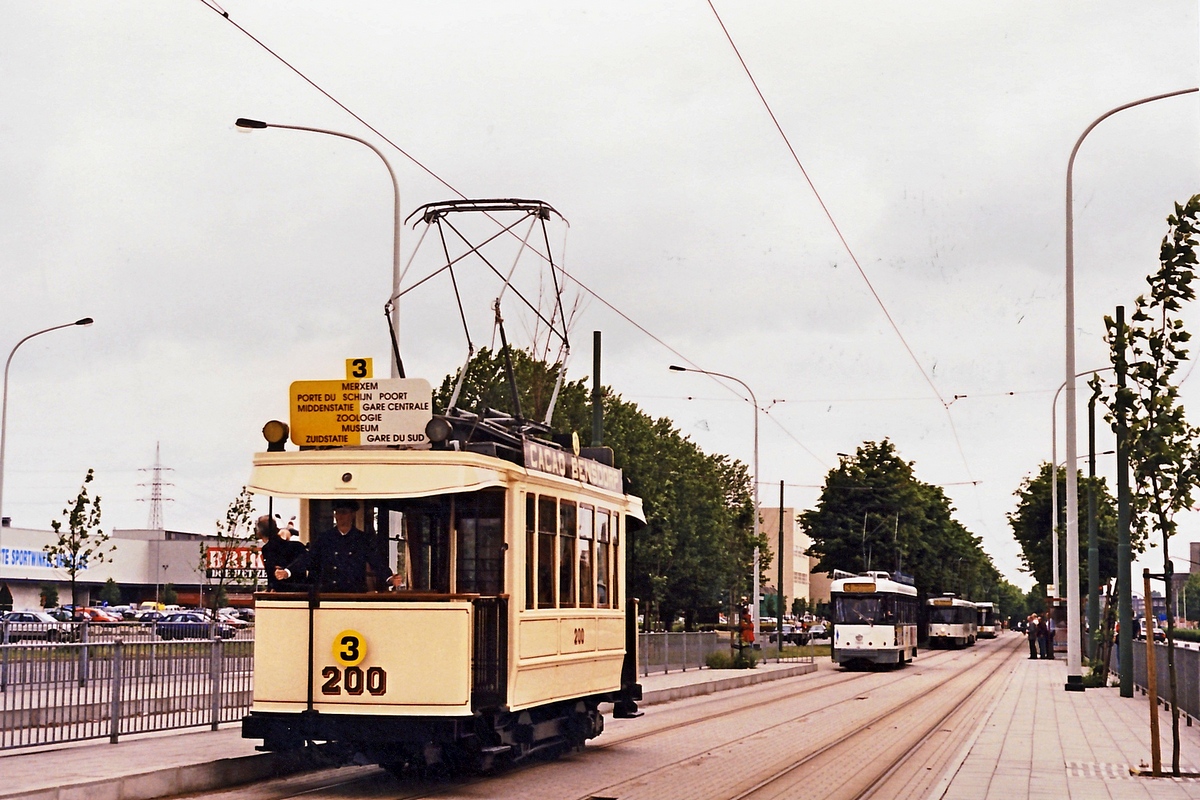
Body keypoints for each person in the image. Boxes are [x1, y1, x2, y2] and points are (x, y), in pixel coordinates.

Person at [276, 500, 399, 593]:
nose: (340, 516)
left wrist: (390, 578)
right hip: (329, 594)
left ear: (352, 515)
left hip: (354, 594)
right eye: (338, 513)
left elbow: (376, 561)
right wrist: (288, 571)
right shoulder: (325, 538)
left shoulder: (362, 539)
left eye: (344, 513)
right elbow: (308, 558)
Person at [256, 515, 303, 592]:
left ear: (260, 533)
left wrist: (270, 588)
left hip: (281, 591)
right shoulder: (298, 546)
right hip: (302, 591)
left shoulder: (268, 549)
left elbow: (272, 576)